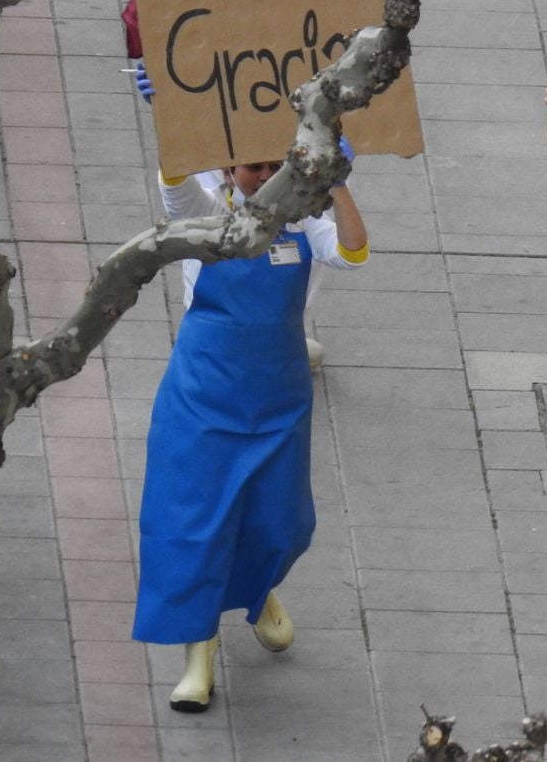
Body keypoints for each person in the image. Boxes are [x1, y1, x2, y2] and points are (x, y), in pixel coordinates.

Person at [125, 0, 385, 367]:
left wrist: (163, 82)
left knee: (218, 201)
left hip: (202, 72)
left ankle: (235, 320)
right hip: (280, 73)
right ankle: (224, 324)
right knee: (269, 204)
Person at [135, 144, 368, 712]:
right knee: (195, 524)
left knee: (276, 521)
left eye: (273, 166)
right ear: (225, 169)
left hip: (277, 396)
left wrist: (335, 182)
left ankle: (257, 591)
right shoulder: (205, 208)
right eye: (252, 168)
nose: (264, 178)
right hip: (202, 394)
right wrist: (176, 119)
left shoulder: (306, 218)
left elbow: (353, 253)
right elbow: (174, 183)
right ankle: (200, 656)